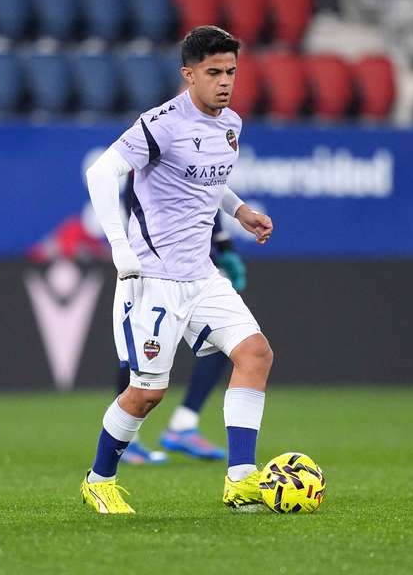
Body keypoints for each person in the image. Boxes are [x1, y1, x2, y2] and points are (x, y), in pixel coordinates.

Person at [79, 26, 274, 514]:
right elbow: (100, 173)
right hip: (153, 280)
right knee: (147, 393)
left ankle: (241, 479)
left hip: (202, 275)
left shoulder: (231, 124)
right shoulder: (161, 123)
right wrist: (120, 248)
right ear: (189, 75)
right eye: (213, 72)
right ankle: (99, 478)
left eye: (231, 71)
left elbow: (204, 180)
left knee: (255, 354)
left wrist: (239, 209)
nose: (225, 81)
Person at [117, 190, 247, 464]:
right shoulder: (159, 147)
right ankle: (124, 442)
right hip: (153, 266)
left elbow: (207, 187)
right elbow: (131, 187)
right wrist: (122, 245)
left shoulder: (212, 150)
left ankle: (183, 424)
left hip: (197, 266)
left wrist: (223, 245)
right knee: (138, 355)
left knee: (234, 340)